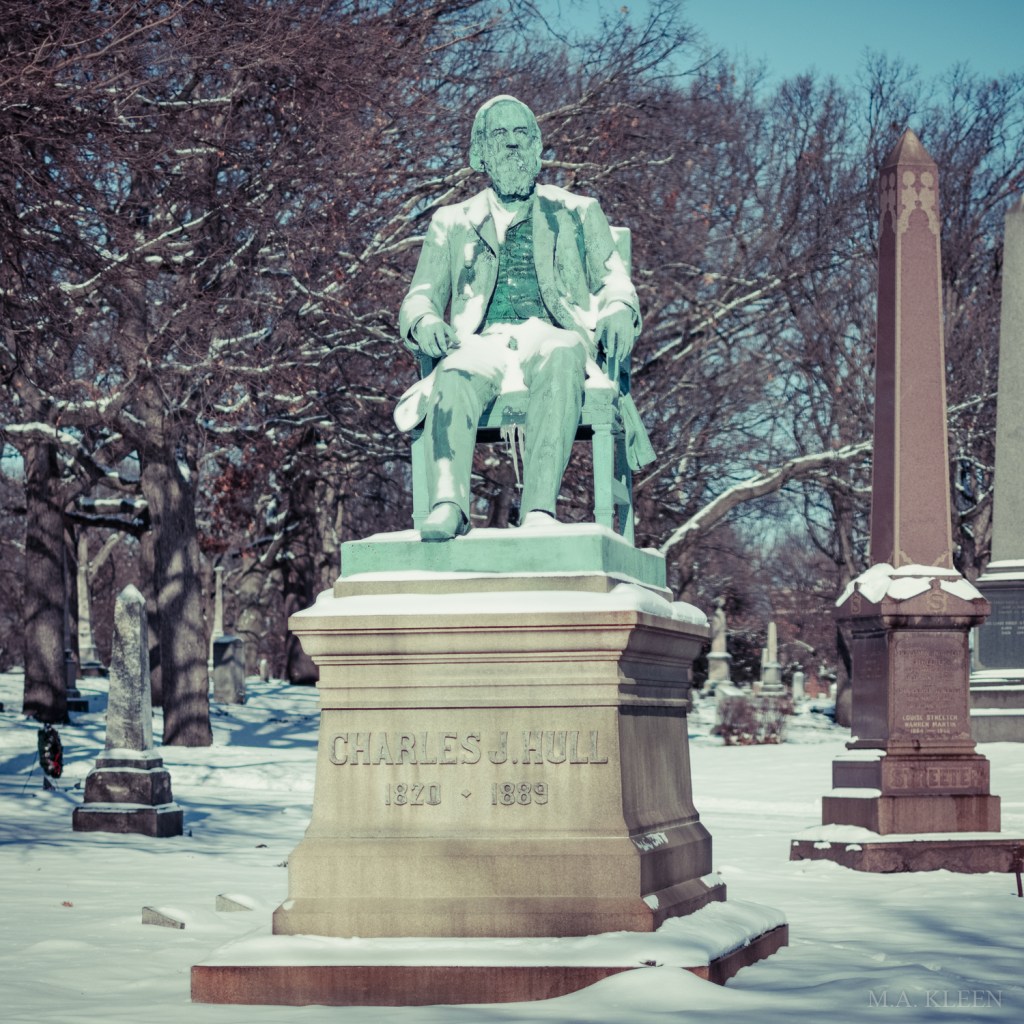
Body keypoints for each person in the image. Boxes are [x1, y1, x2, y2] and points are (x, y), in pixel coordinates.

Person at [396, 94, 642, 541]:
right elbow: (420, 298)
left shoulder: (577, 211)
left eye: (521, 134)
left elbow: (614, 282)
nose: (512, 145)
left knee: (564, 352)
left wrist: (621, 310)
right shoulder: (451, 221)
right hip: (481, 340)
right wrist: (425, 323)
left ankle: (539, 511)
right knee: (452, 372)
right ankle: (450, 505)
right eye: (500, 135)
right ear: (480, 153)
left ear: (536, 145)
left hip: (549, 334)